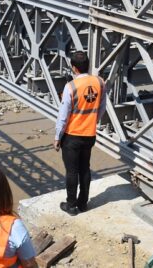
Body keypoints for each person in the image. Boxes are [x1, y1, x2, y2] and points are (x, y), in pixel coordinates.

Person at [53, 51, 106, 215]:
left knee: (72, 171)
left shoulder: (71, 87)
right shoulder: (99, 82)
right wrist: (93, 121)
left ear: (73, 68)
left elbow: (63, 115)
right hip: (89, 134)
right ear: (87, 66)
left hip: (72, 136)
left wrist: (57, 137)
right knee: (85, 169)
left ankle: (71, 205)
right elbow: (102, 107)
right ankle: (83, 203)